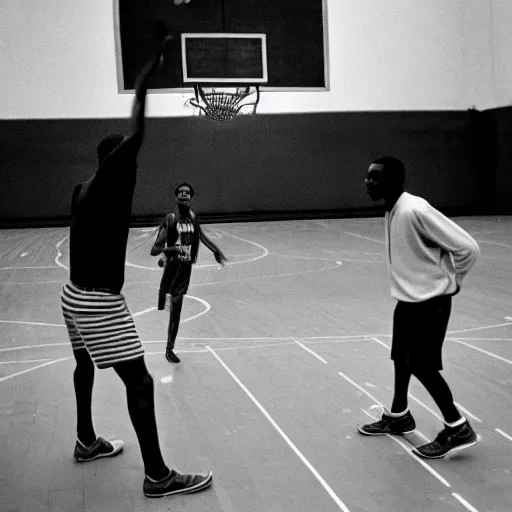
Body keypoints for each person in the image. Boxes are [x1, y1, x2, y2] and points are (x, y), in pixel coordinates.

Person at [60, 28, 213, 498]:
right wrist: (147, 73)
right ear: (117, 162)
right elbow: (139, 129)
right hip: (99, 303)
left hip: (72, 297)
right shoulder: (110, 178)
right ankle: (158, 476)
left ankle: (87, 441)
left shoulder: (82, 189)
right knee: (140, 383)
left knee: (84, 365)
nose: (135, 165)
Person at [358, 156, 480, 459]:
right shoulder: (392, 208)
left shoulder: (415, 210)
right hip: (409, 301)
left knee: (422, 365)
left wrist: (454, 281)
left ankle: (458, 427)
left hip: (431, 303)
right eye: (367, 177)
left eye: (375, 178)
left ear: (395, 181)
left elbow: (468, 248)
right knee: (401, 356)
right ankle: (399, 416)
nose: (367, 182)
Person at [151, 182, 228, 363]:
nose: (184, 195)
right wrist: (171, 251)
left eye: (187, 193)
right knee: (175, 305)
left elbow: (200, 235)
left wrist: (215, 250)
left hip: (185, 269)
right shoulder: (171, 219)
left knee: (177, 308)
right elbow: (155, 249)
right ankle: (169, 347)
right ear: (176, 197)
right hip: (173, 268)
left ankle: (169, 348)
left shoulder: (193, 218)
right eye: (180, 192)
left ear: (191, 197)